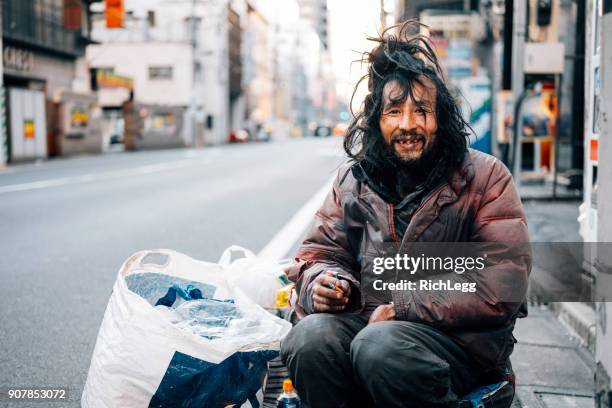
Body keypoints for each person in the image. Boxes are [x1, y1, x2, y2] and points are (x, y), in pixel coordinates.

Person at [280, 21, 531, 408]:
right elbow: (320, 255)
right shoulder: (354, 180)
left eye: (421, 111)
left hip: (460, 347)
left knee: (379, 347)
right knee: (310, 338)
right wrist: (324, 284)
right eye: (394, 111)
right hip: (370, 326)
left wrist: (404, 304)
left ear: (440, 116)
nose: (408, 125)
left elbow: (503, 282)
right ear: (377, 121)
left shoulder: (487, 177)